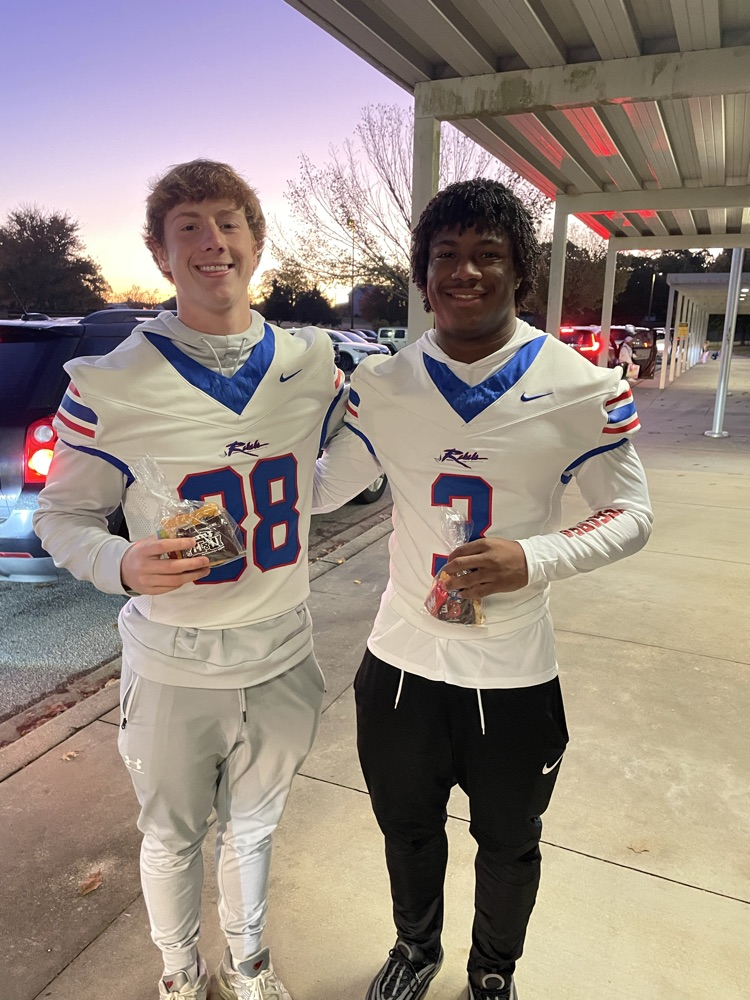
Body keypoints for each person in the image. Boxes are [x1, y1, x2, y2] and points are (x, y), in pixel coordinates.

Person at [313, 178, 653, 1000]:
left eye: (487, 256)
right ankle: (415, 947)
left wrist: (533, 558)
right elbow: (324, 490)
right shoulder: (384, 383)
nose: (465, 273)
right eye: (447, 257)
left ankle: (493, 968)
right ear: (424, 276)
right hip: (401, 660)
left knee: (508, 842)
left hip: (512, 668)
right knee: (408, 830)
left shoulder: (581, 385)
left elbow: (631, 514)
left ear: (520, 273)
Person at [34, 159, 344, 1000]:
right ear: (162, 255)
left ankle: (249, 969)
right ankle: (180, 973)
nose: (213, 241)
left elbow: (336, 468)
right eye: (190, 227)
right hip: (174, 658)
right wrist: (120, 562)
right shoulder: (113, 381)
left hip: (282, 648)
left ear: (256, 239)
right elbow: (59, 518)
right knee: (172, 835)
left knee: (256, 828)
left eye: (228, 221)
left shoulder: (314, 362)